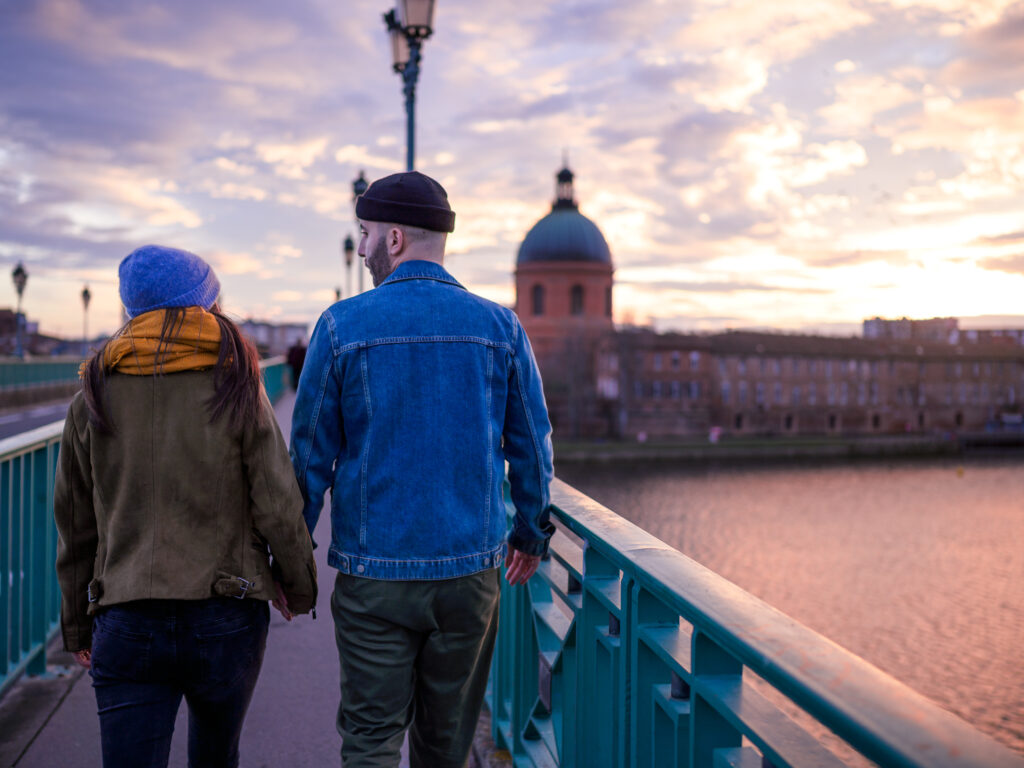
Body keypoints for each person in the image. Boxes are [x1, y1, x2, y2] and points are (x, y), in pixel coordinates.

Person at [290, 171, 554, 768]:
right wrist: (531, 533)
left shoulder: (340, 327)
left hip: (373, 573)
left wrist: (291, 555)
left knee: (370, 739)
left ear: (395, 238)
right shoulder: (501, 328)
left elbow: (308, 459)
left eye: (364, 234)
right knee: (446, 746)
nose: (360, 249)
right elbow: (532, 447)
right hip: (470, 572)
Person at [54, 244, 317, 768]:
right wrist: (297, 585)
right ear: (206, 306)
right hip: (226, 613)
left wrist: (78, 627)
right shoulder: (237, 381)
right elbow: (277, 501)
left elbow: (76, 524)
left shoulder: (93, 393)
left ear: (132, 311)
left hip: (126, 615)